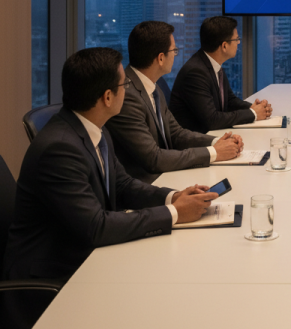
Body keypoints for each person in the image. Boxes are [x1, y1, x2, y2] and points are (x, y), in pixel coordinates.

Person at [3, 48, 216, 284]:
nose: (127, 91)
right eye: (124, 85)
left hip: (85, 254)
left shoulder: (96, 126)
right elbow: (96, 227)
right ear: (107, 97)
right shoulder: (59, 149)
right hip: (51, 276)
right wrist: (175, 213)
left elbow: (122, 184)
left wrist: (172, 198)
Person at [106, 21, 244, 183]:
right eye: (174, 51)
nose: (175, 55)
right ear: (161, 58)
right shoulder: (127, 96)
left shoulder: (153, 86)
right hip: (148, 185)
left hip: (167, 174)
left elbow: (176, 133)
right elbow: (154, 158)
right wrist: (213, 152)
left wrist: (217, 142)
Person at [169, 16, 272, 133]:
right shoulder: (195, 73)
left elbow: (229, 101)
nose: (238, 43)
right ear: (224, 46)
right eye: (236, 39)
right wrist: (253, 113)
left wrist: (253, 107)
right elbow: (212, 120)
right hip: (195, 143)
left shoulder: (213, 64)